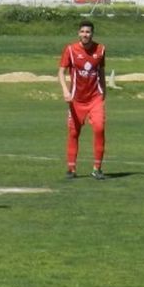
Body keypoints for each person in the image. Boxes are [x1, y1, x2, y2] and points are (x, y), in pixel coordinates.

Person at [59, 20, 107, 177]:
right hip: (76, 100)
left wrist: (103, 91)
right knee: (73, 133)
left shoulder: (100, 49)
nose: (85, 34)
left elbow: (101, 71)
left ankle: (97, 169)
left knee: (99, 128)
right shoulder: (70, 50)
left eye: (88, 32)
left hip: (95, 98)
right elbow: (61, 72)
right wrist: (66, 91)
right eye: (83, 32)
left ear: (92, 33)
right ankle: (71, 169)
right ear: (78, 33)